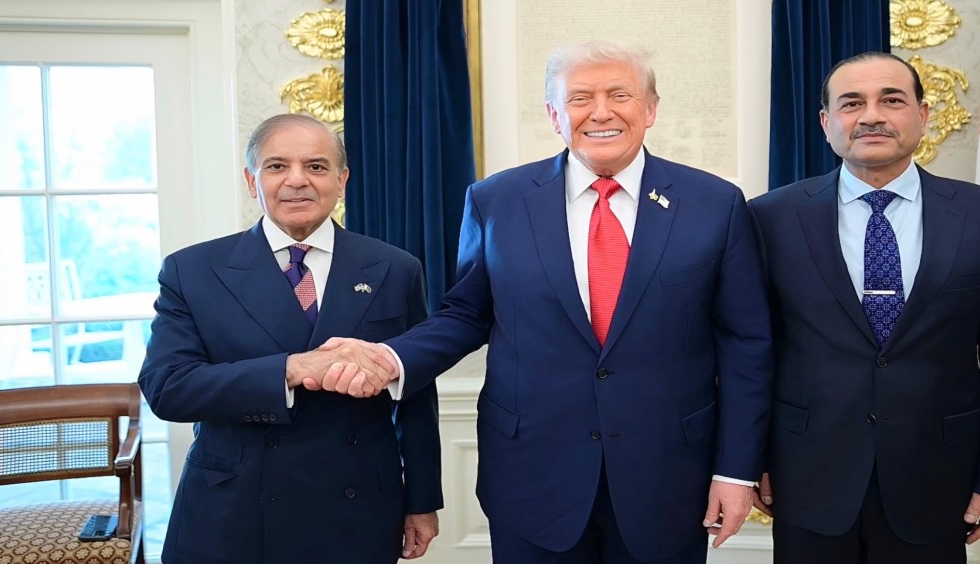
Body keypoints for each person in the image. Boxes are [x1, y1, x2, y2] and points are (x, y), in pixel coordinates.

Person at [312, 41, 773, 562]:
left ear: (650, 109)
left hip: (668, 477)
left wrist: (735, 470)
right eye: (579, 98)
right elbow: (466, 314)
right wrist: (388, 358)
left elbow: (746, 344)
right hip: (532, 476)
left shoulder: (715, 204)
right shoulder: (496, 200)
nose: (600, 111)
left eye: (619, 94)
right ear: (555, 115)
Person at [748, 52, 980, 563]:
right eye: (852, 103)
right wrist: (751, 460)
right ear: (826, 122)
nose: (872, 115)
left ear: (922, 116)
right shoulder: (769, 218)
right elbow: (752, 354)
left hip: (938, 476)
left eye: (892, 100)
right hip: (806, 476)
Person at [138, 113, 442, 564]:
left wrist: (421, 500)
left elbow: (416, 394)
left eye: (316, 167)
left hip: (357, 510)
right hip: (234, 511)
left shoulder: (395, 268)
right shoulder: (192, 270)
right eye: (277, 166)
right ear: (251, 180)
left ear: (342, 180)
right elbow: (169, 388)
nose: (297, 181)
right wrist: (292, 369)